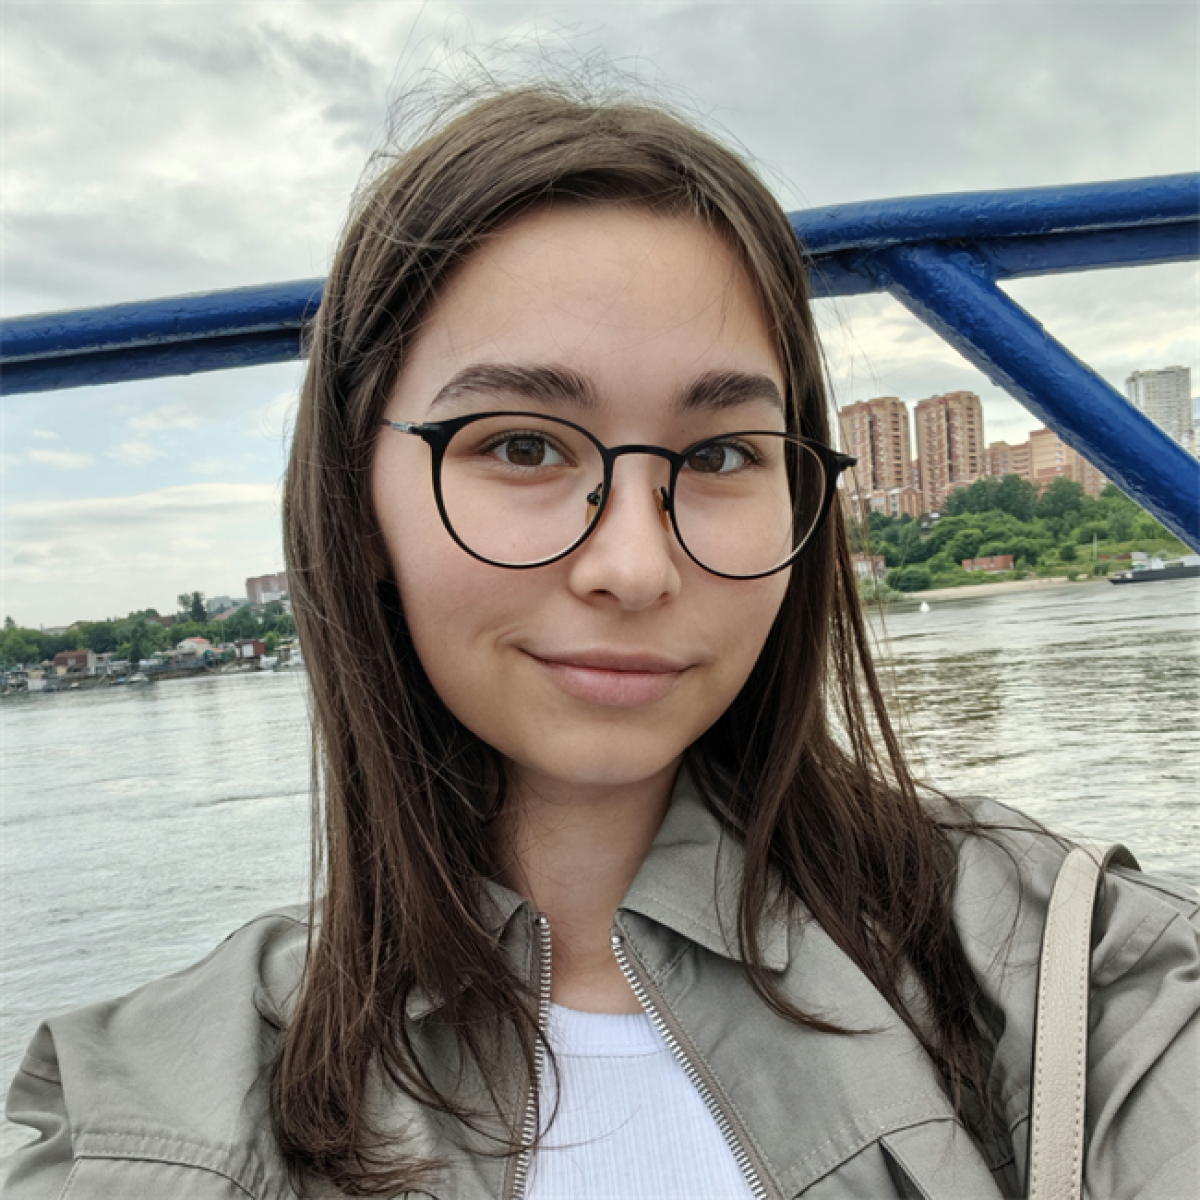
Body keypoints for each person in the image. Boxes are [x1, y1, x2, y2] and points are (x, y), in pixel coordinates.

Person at [5, 84, 1198, 1200]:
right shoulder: (147, 1114)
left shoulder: (1075, 970)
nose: (634, 565)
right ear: (356, 503)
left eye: (720, 455)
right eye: (522, 446)